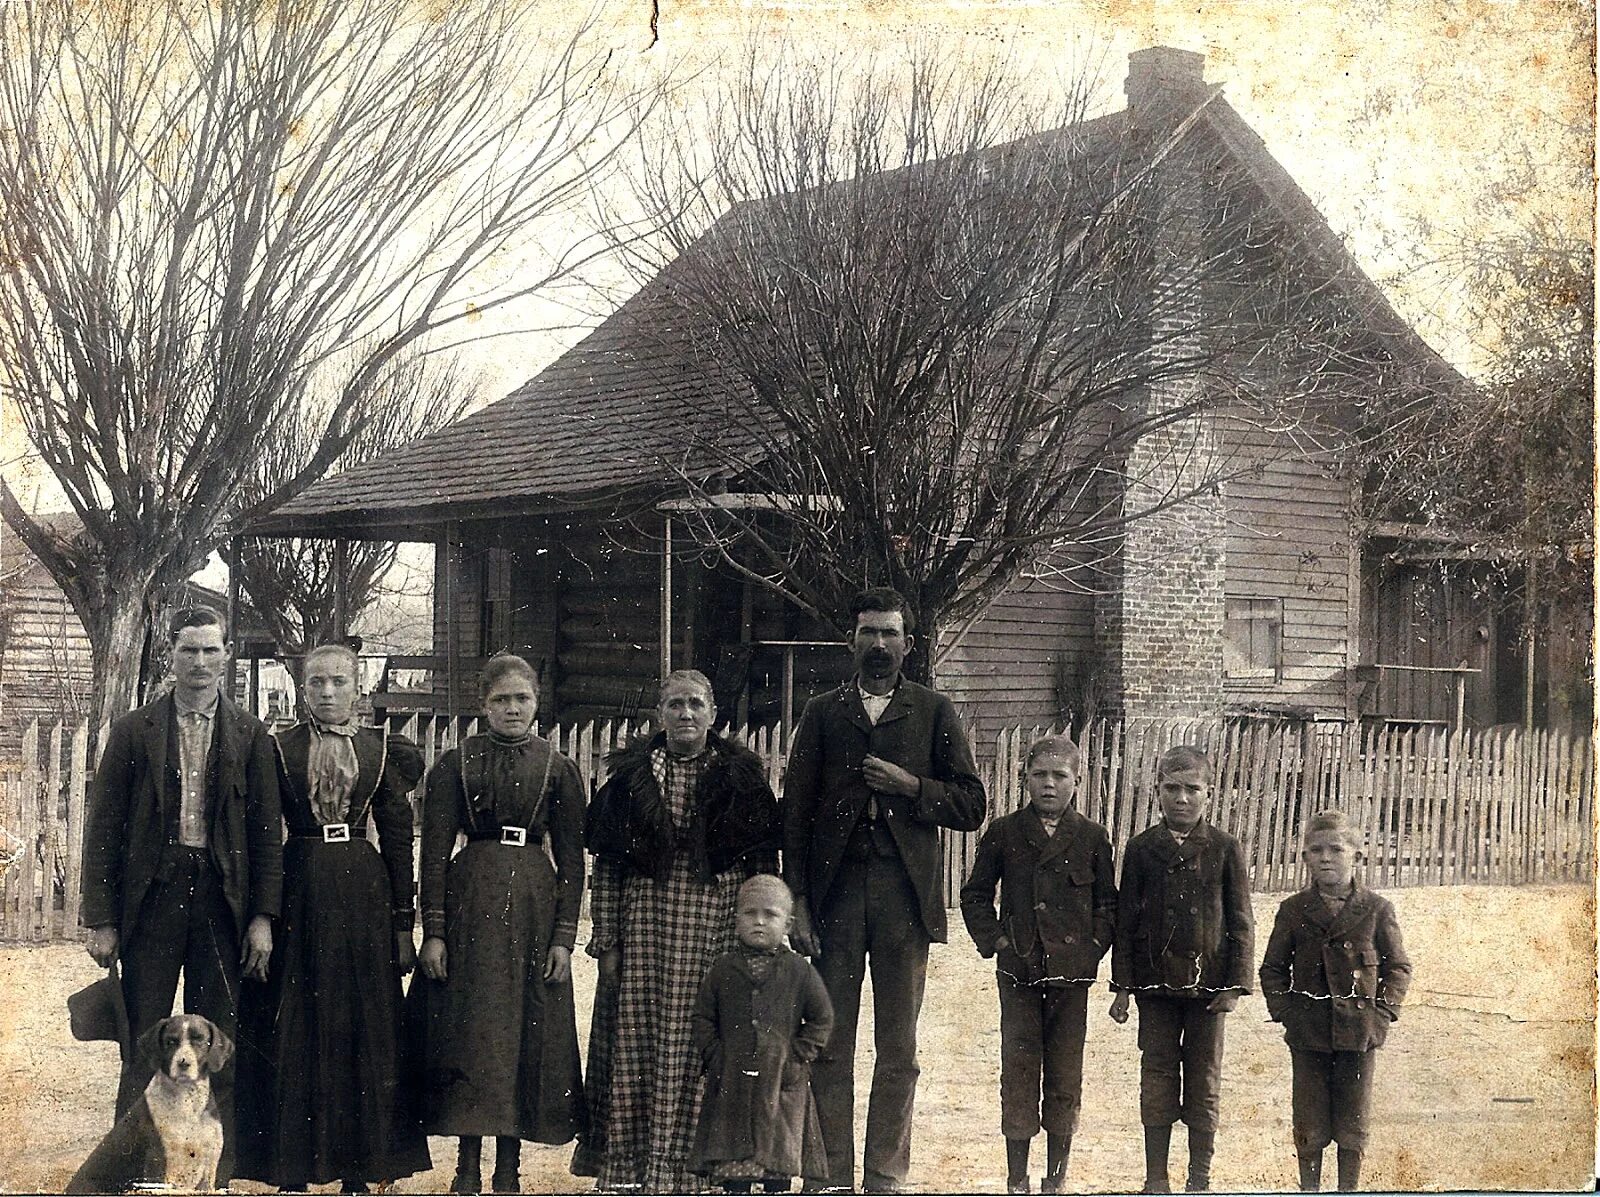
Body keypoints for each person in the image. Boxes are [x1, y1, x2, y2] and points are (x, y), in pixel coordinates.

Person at [783, 586, 987, 1194]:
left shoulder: (933, 711)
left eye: (890, 634)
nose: (879, 645)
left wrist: (910, 785)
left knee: (899, 1050)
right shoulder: (823, 713)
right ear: (852, 640)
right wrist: (798, 901)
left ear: (908, 643)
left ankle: (885, 1176)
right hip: (836, 898)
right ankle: (829, 1177)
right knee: (829, 1043)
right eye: (868, 632)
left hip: (904, 900)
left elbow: (971, 805)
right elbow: (794, 814)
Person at [79, 607, 283, 1184]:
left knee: (217, 1035)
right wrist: (102, 918)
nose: (199, 663)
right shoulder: (136, 730)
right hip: (154, 899)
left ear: (227, 656)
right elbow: (104, 826)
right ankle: (133, 1164)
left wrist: (262, 917)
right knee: (144, 1035)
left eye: (210, 651)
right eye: (188, 650)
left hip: (221, 902)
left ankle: (212, 1169)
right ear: (170, 655)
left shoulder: (249, 734)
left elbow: (268, 833)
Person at [233, 642, 430, 1192]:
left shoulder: (382, 749)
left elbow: (397, 842)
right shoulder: (277, 748)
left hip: (362, 891)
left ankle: (359, 1170)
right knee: (296, 1018)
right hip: (299, 882)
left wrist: (401, 924)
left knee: (362, 1022)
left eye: (338, 682)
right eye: (316, 682)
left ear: (356, 687)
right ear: (302, 687)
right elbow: (264, 838)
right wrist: (264, 916)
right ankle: (292, 1168)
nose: (327, 692)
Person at [580, 668, 782, 1193]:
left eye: (696, 704)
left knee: (704, 1041)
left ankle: (701, 1175)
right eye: (675, 705)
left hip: (715, 930)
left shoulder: (741, 780)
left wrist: (756, 946)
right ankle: (635, 1173)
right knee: (642, 1045)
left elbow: (762, 871)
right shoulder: (630, 780)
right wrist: (608, 939)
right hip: (645, 928)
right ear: (660, 714)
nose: (686, 714)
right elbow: (606, 867)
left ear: (713, 714)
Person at [412, 654, 589, 1194]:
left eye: (522, 699)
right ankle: (466, 1168)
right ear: (482, 704)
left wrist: (563, 938)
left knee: (519, 1035)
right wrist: (434, 931)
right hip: (471, 907)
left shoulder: (557, 767)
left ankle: (507, 1169)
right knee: (472, 1035)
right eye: (500, 700)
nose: (512, 709)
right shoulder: (454, 765)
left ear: (537, 703)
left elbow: (574, 862)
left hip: (534, 907)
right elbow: (434, 854)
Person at [960, 734, 1116, 1196]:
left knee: (1066, 1072)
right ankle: (1016, 1177)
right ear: (1024, 779)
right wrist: (998, 942)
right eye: (1040, 775)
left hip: (1071, 977)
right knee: (1019, 1069)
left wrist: (1091, 948)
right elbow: (974, 896)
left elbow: (1108, 904)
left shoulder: (1092, 837)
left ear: (1077, 781)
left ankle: (1057, 1177)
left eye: (1060, 776)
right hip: (1020, 972)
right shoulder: (1005, 833)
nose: (1049, 785)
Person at [1109, 745, 1254, 1194]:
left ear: (1209, 794)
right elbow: (1126, 920)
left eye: (1193, 789)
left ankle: (1200, 1177)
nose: (1182, 799)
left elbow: (1241, 919)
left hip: (1208, 988)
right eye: (1172, 788)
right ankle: (1156, 1177)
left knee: (1204, 1077)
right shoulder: (1141, 849)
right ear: (1156, 792)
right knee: (1156, 1076)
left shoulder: (1225, 848)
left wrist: (1234, 985)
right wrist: (1122, 987)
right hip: (1155, 987)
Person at [1259, 810, 1412, 1193]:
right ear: (1305, 857)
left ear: (1356, 856)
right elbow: (1272, 969)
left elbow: (1398, 967)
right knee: (1309, 1122)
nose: (1325, 858)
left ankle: (1348, 1190)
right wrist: (1287, 1014)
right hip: (1308, 1034)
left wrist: (1383, 1015)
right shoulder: (1293, 910)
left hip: (1359, 1035)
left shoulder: (1376, 910)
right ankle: (1309, 1188)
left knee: (1353, 1121)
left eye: (1335, 849)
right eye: (1315, 850)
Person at [690, 873, 835, 1193]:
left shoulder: (800, 970)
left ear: (787, 924)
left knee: (777, 1161)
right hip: (733, 1080)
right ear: (736, 919)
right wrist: (716, 1056)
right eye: (749, 913)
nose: (759, 922)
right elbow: (702, 1017)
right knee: (734, 1163)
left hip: (782, 1082)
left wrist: (798, 1057)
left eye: (770, 914)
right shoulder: (723, 969)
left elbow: (821, 1018)